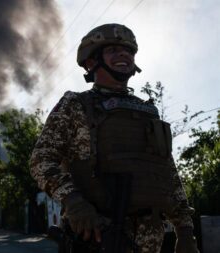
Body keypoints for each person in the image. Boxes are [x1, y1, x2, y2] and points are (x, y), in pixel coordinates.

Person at [30, 23, 199, 253]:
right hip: (97, 235)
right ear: (91, 62)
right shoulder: (75, 105)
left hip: (150, 239)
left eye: (129, 51)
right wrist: (74, 202)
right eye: (112, 50)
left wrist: (185, 231)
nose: (123, 54)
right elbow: (41, 160)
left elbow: (167, 172)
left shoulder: (147, 111)